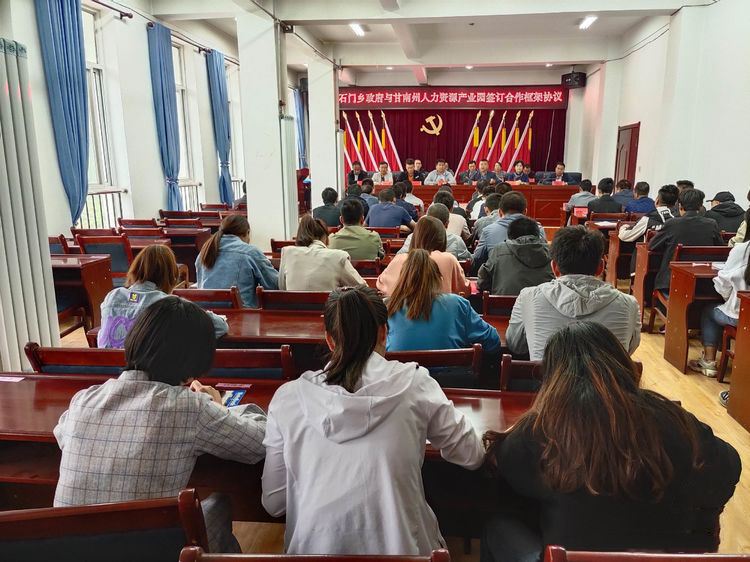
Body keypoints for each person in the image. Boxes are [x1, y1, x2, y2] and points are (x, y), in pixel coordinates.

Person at [483, 321, 740, 562]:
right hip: (669, 553)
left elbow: (506, 469)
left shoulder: (541, 428)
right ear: (622, 363)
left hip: (569, 555)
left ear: (550, 376)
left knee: (498, 526)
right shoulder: (674, 418)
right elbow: (728, 468)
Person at [261, 286, 484, 554]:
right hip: (405, 551)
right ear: (384, 332)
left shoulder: (287, 398)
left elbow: (274, 502)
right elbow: (472, 454)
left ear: (329, 340)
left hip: (313, 552)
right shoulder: (414, 384)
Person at [56, 297, 268, 553]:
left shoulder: (84, 399)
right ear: (195, 361)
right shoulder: (188, 408)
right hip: (144, 552)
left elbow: (62, 434)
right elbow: (261, 442)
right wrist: (219, 408)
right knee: (218, 504)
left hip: (69, 550)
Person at [506, 226, 640, 360]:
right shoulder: (629, 304)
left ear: (554, 267)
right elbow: (627, 351)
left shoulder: (528, 297)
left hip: (547, 374)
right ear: (600, 267)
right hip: (607, 374)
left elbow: (515, 345)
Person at [99, 245, 228, 348]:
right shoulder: (168, 304)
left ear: (135, 269)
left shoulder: (112, 296)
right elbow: (219, 327)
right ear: (171, 275)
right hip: (146, 371)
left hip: (106, 370)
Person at [386, 249, 500, 353]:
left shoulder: (388, 306)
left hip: (399, 369)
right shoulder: (457, 304)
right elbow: (493, 339)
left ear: (402, 280)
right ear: (438, 279)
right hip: (451, 369)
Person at [689, 213, 750, 376]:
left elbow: (723, 285)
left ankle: (709, 361)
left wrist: (728, 297)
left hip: (741, 316)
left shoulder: (742, 250)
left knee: (709, 311)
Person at [648, 189, 724, 294]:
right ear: (700, 206)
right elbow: (720, 248)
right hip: (703, 283)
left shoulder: (672, 223)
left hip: (672, 283)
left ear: (680, 205)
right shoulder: (711, 224)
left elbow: (652, 245)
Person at [196, 215, 279, 308]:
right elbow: (274, 285)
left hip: (205, 311)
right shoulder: (250, 252)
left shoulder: (205, 251)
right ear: (247, 233)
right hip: (240, 312)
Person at [377, 216, 471, 296]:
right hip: (441, 311)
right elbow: (464, 290)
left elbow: (381, 284)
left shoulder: (399, 259)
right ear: (442, 238)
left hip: (402, 311)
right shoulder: (448, 259)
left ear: (415, 237)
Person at [279, 215, 365, 290]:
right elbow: (362, 288)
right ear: (325, 237)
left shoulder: (288, 253)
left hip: (294, 304)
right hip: (329, 304)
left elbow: (282, 287)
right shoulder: (338, 257)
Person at [478, 216, 554, 296]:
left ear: (510, 236)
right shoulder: (551, 252)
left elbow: (483, 281)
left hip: (504, 303)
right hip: (542, 303)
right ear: (538, 235)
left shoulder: (500, 250)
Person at [473, 191, 546, 270]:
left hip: (498, 275)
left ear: (500, 212)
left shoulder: (488, 231)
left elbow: (477, 259)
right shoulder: (538, 229)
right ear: (525, 211)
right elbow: (544, 256)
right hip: (533, 276)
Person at [397, 203, 471, 260]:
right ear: (447, 224)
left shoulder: (413, 237)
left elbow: (399, 257)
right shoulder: (456, 240)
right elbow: (468, 262)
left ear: (426, 220)